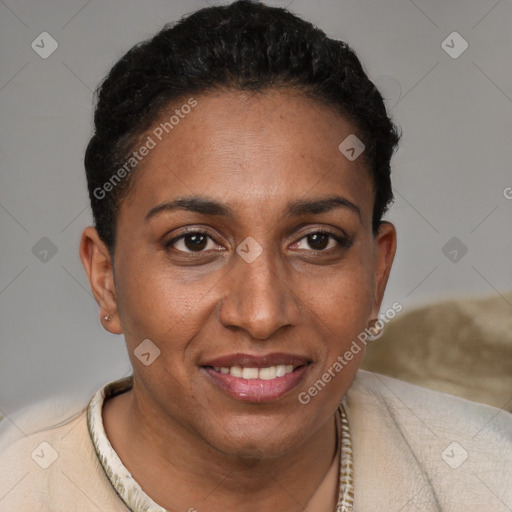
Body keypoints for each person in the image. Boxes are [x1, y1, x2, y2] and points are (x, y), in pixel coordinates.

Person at [0, 1, 510, 510]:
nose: (262, 315)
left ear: (378, 273)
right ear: (105, 277)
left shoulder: (490, 474)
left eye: (317, 241)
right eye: (194, 242)